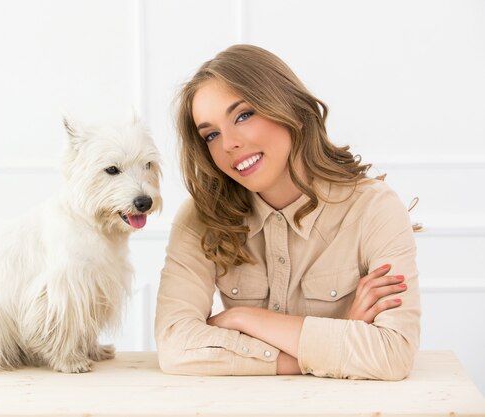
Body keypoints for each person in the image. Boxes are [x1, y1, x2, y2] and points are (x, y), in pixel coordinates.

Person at [155, 44, 420, 380]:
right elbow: (175, 345)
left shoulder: (374, 210)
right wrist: (331, 345)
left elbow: (392, 354)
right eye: (211, 134)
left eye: (243, 115)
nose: (228, 144)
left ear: (291, 110)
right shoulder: (201, 217)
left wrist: (243, 319)